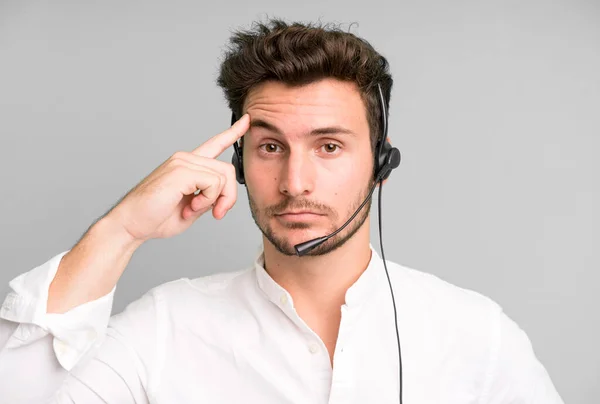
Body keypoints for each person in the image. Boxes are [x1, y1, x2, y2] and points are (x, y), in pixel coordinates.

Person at [0, 19, 563, 404]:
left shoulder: (475, 335)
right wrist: (119, 230)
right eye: (271, 146)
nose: (295, 183)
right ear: (241, 162)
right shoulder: (164, 328)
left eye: (329, 146)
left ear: (382, 161)